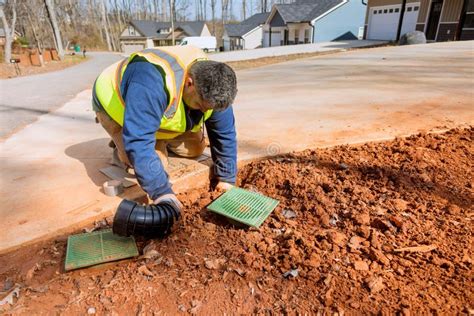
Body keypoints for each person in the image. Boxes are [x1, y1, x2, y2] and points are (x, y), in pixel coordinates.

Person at [92, 46, 237, 211]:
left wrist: (226, 179)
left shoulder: (215, 88)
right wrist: (162, 194)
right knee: (154, 164)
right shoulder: (150, 81)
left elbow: (225, 135)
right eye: (199, 105)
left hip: (155, 109)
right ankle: (121, 145)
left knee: (195, 149)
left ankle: (159, 137)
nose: (204, 111)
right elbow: (139, 141)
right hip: (114, 107)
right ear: (190, 83)